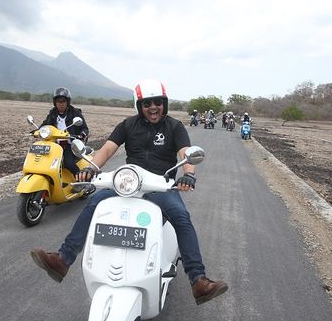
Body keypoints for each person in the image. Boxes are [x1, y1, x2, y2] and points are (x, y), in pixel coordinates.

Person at [31, 79, 229, 305]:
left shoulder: (174, 127)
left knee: (181, 217)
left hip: (160, 185)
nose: (152, 107)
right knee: (95, 204)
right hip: (127, 183)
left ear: (164, 104)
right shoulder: (128, 125)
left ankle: (198, 280)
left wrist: (189, 174)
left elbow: (186, 153)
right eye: (146, 104)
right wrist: (89, 169)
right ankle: (63, 260)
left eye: (157, 102)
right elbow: (107, 149)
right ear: (139, 106)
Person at [40, 87, 89, 179]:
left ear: (68, 102)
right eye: (58, 101)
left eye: (63, 101)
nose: (61, 104)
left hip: (70, 144)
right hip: (55, 144)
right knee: (44, 161)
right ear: (55, 102)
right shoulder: (53, 113)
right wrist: (38, 130)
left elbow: (84, 128)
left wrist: (82, 134)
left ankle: (81, 180)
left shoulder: (75, 112)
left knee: (68, 163)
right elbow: (45, 124)